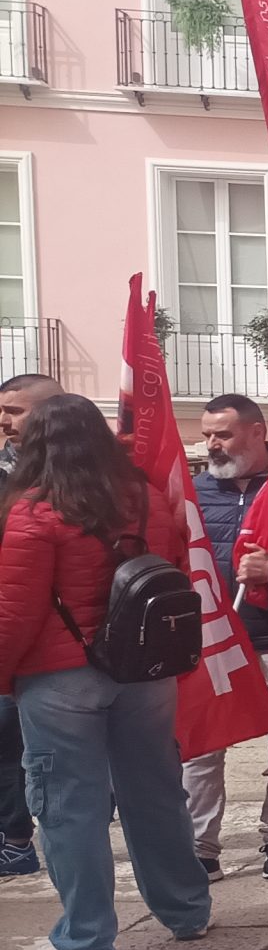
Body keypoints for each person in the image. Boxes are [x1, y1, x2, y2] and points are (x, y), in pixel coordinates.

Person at [0, 394, 213, 950]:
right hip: (143, 670)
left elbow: (15, 613)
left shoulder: (35, 512)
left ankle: (86, 940)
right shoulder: (145, 500)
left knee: (70, 808)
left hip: (61, 676)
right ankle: (187, 909)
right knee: (156, 793)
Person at [180, 393, 268, 883]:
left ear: (257, 433)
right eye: (207, 434)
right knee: (204, 742)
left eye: (222, 434)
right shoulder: (195, 492)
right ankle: (201, 847)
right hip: (213, 636)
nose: (210, 444)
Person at [0, 371, 60, 879]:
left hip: (48, 646)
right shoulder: (7, 473)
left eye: (15, 410)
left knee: (23, 751)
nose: (4, 421)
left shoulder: (75, 482)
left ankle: (18, 840)